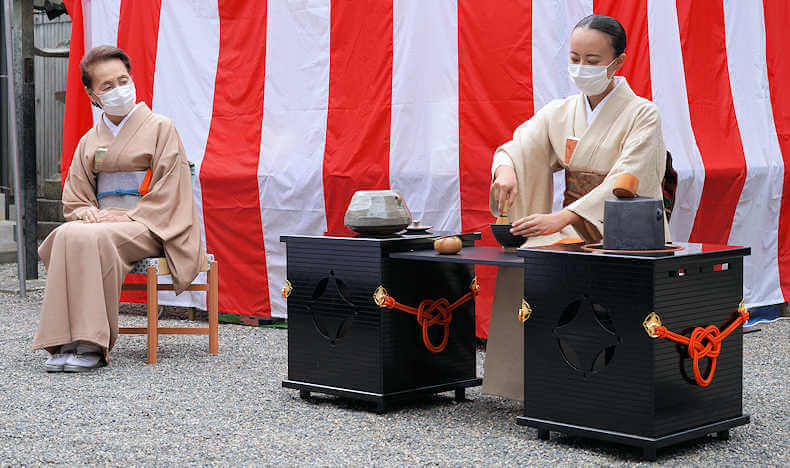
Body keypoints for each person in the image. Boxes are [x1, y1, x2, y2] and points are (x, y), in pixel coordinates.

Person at [483, 14, 669, 400]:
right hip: (568, 227)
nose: (581, 68)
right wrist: (506, 169)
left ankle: (605, 394)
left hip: (621, 229)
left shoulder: (643, 114)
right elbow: (521, 145)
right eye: (575, 58)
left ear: (617, 63)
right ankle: (532, 385)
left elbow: (628, 179)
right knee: (528, 265)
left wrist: (562, 217)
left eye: (592, 60)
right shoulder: (560, 111)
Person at [33, 46, 204, 372]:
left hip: (151, 224)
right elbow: (76, 194)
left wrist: (127, 215)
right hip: (104, 223)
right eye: (107, 86)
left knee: (92, 238)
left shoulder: (161, 128)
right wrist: (86, 212)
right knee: (68, 232)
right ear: (92, 94)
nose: (118, 91)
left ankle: (92, 344)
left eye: (122, 81)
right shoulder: (89, 140)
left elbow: (172, 189)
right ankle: (64, 340)